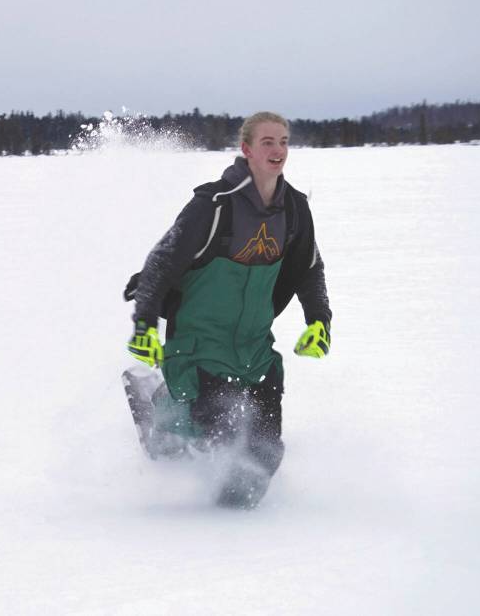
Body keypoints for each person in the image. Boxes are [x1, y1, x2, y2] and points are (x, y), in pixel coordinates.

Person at [124, 111, 331, 508]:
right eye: (268, 142)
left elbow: (309, 269)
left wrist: (319, 320)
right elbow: (162, 263)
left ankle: (230, 528)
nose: (278, 150)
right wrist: (145, 326)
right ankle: (159, 409)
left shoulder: (295, 210)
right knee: (200, 438)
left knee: (263, 454)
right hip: (200, 348)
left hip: (255, 353)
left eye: (284, 141)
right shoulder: (214, 205)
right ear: (247, 149)